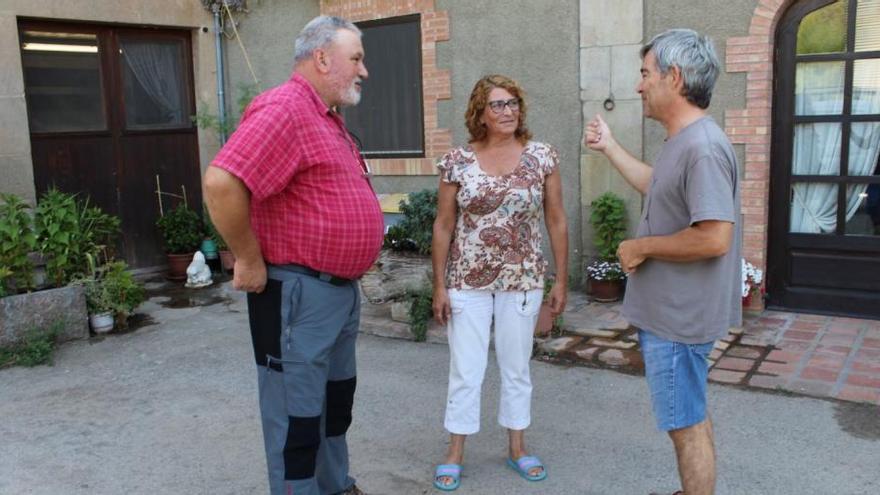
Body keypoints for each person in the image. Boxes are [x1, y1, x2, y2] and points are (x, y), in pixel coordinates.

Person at [203, 15, 381, 495]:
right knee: (296, 418)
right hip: (297, 295)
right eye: (357, 58)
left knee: (333, 405)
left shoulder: (324, 118)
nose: (364, 71)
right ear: (322, 58)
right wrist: (248, 257)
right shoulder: (285, 108)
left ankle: (335, 485)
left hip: (336, 294)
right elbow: (221, 183)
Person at [584, 29, 741, 495]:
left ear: (674, 77)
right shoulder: (685, 141)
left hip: (679, 318)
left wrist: (641, 247)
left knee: (684, 424)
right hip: (674, 313)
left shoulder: (703, 147)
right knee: (689, 413)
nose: (638, 86)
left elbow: (715, 237)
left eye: (645, 73)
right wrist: (610, 147)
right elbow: (659, 186)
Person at [431, 74, 568, 491]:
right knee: (466, 369)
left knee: (516, 367)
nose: (508, 111)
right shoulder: (457, 161)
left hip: (523, 278)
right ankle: (455, 452)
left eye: (513, 103)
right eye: (498, 105)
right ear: (481, 113)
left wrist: (560, 279)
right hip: (466, 281)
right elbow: (443, 225)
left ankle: (518, 448)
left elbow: (556, 219)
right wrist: (438, 285)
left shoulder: (542, 157)